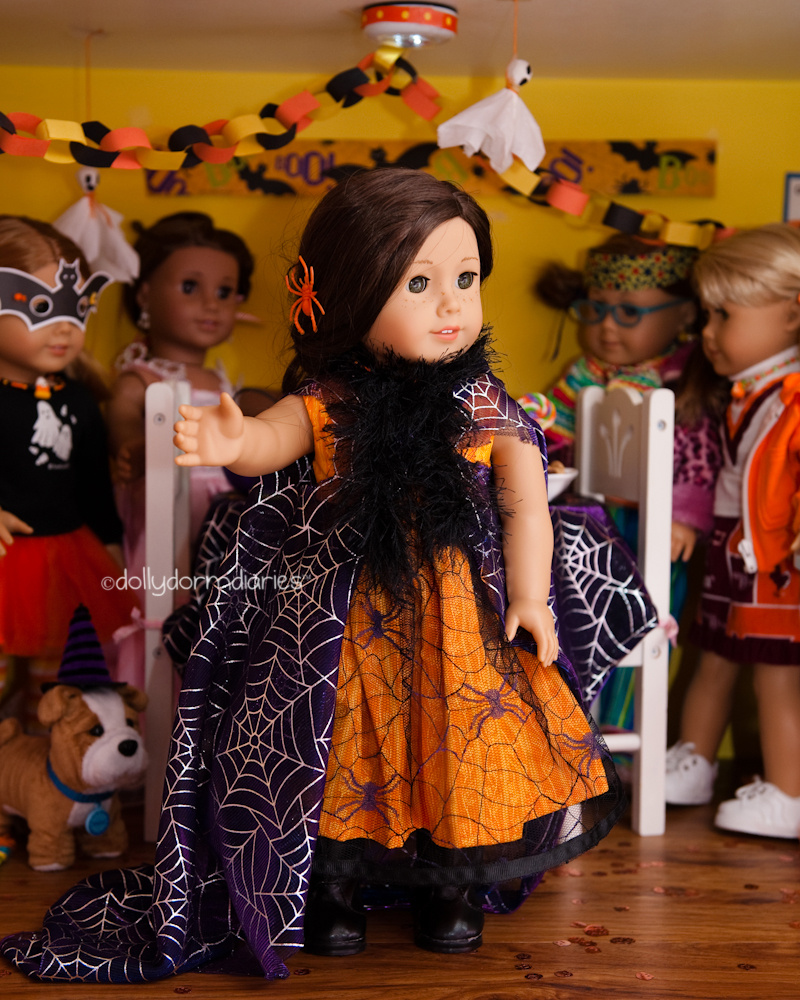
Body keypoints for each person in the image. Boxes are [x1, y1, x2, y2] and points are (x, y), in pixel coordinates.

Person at [0, 171, 624, 983]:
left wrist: (534, 597)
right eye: (419, 283)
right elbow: (270, 441)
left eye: (466, 279)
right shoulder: (331, 398)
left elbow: (526, 507)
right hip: (346, 621)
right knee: (340, 748)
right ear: (350, 293)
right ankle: (331, 890)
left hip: (459, 624)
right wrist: (231, 441)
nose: (451, 304)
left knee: (461, 744)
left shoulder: (484, 402)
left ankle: (451, 888)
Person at [536, 235, 728, 731]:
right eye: (595, 309)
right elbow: (555, 426)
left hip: (657, 529)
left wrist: (684, 517)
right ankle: (582, 725)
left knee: (646, 620)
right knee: (587, 620)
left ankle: (624, 726)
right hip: (597, 521)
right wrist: (531, 426)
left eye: (628, 313)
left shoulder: (685, 379)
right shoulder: (587, 373)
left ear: (684, 315)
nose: (606, 327)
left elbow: (700, 456)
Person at [665, 224, 800, 837]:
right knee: (714, 653)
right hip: (733, 546)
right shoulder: (748, 391)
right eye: (706, 316)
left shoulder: (790, 396)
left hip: (776, 559)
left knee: (775, 672)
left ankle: (788, 792)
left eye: (724, 315)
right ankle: (693, 759)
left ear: (792, 314)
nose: (708, 332)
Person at [107, 212, 264, 687]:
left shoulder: (224, 382)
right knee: (165, 600)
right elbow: (123, 438)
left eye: (225, 292)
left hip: (223, 520)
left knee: (218, 607)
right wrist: (137, 449)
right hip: (167, 515)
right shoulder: (140, 380)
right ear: (144, 295)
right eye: (190, 287)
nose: (211, 304)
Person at [0, 216, 135, 727]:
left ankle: (40, 766)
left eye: (75, 310)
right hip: (5, 559)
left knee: (55, 684)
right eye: (41, 309)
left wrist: (112, 547)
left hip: (64, 561)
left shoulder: (79, 401)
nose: (64, 327)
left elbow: (93, 487)